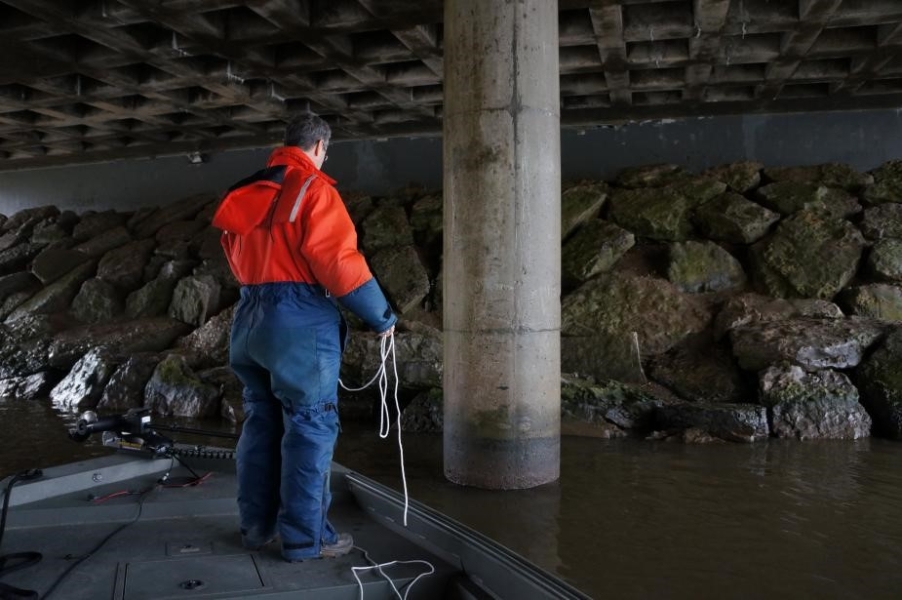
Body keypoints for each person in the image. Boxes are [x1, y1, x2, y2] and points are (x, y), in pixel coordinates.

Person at [211, 113, 397, 562]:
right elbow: (337, 261)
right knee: (310, 430)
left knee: (261, 424)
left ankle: (256, 528)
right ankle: (304, 540)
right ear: (318, 147)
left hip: (249, 318)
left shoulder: (246, 192)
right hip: (297, 323)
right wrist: (382, 316)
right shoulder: (314, 190)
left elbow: (235, 260)